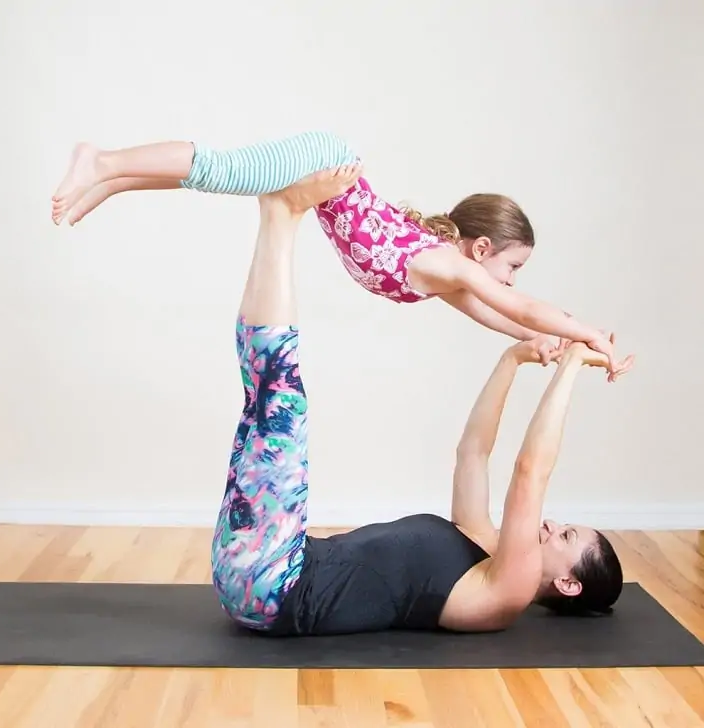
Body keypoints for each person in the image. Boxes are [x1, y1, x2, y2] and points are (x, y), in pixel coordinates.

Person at [205, 166, 634, 637]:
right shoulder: (480, 544)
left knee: (279, 401)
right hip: (272, 562)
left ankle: (280, 214)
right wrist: (512, 360)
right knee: (264, 400)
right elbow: (473, 452)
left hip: (276, 585)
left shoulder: (506, 591)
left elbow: (531, 471)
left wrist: (572, 363)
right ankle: (278, 215)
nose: (552, 524)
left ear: (567, 584)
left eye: (566, 536)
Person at [49, 131, 628, 377]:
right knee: (223, 170)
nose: (510, 280)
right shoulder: (450, 264)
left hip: (326, 166)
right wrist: (589, 331)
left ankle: (110, 179)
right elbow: (522, 307)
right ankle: (101, 160)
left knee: (219, 178)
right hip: (324, 161)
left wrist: (549, 343)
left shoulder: (449, 279)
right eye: (512, 267)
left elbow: (502, 317)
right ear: (481, 248)